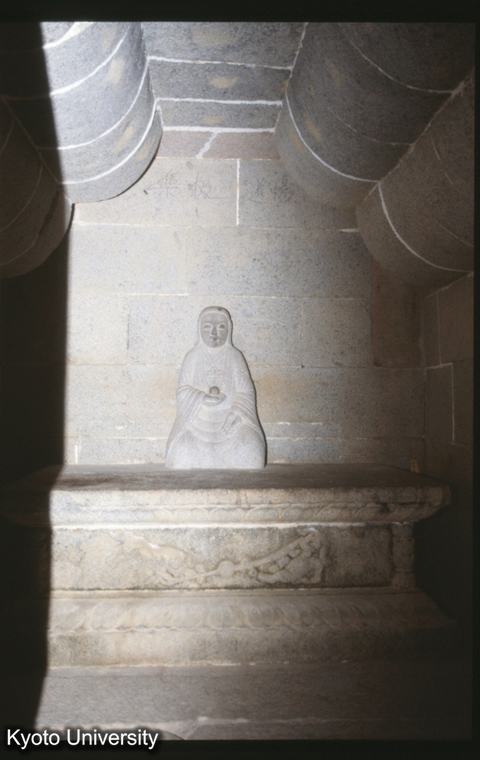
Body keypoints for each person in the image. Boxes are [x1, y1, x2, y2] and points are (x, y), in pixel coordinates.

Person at [165, 306, 266, 469]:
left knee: (252, 450)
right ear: (199, 329)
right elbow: (182, 391)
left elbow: (246, 392)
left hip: (230, 427)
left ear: (229, 330)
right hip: (197, 428)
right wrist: (201, 397)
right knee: (180, 453)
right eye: (207, 326)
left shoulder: (235, 357)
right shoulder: (192, 357)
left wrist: (236, 413)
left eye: (221, 327)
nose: (214, 333)